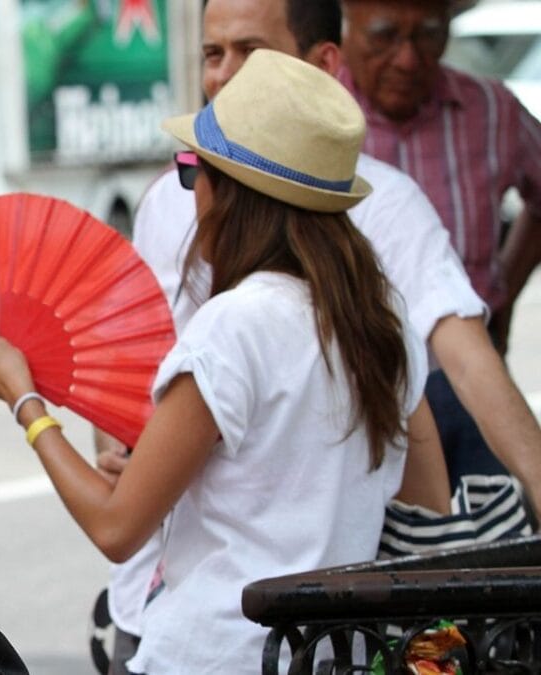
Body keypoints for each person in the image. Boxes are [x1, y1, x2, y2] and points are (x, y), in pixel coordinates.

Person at [0, 48, 449, 674]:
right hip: (334, 654)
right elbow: (423, 499)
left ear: (230, 194)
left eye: (193, 172)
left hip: (219, 652)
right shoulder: (384, 320)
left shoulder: (235, 326)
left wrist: (23, 398)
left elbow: (115, 529)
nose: (190, 193)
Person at [93, 1, 541, 669]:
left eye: (251, 53)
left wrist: (28, 409)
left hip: (240, 637)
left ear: (323, 62)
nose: (224, 76)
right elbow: (130, 358)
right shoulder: (172, 205)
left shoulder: (377, 220)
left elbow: (468, 363)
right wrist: (129, 444)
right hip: (200, 608)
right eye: (213, 54)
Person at [338, 0, 541, 494]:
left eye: (428, 35)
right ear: (345, 27)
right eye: (384, 35)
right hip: (360, 386)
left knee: (491, 528)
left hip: (472, 380)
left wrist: (507, 289)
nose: (408, 58)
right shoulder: (317, 117)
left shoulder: (492, 111)